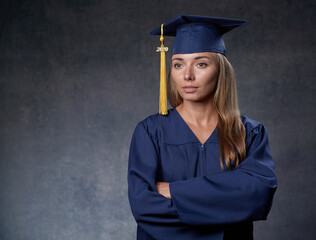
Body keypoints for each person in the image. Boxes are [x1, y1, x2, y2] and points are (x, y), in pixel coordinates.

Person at [128, 15, 277, 240]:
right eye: (178, 64)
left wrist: (175, 191)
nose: (187, 75)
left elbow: (258, 193)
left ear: (220, 70)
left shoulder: (250, 133)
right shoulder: (150, 132)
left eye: (201, 64)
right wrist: (225, 213)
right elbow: (144, 206)